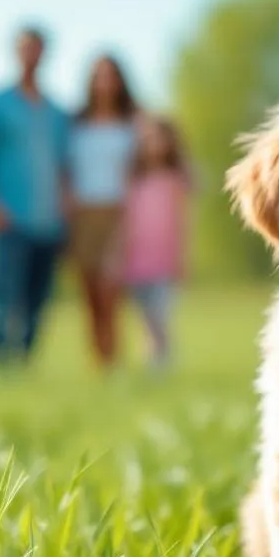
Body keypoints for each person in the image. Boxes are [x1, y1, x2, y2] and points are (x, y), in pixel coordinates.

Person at [0, 26, 72, 367]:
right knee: (3, 298)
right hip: (5, 221)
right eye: (25, 48)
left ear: (45, 54)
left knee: (37, 300)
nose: (32, 55)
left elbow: (63, 168)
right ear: (15, 52)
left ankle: (25, 363)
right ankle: (0, 365)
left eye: (37, 49)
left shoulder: (56, 112)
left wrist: (65, 213)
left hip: (47, 222)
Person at [67, 55, 138, 370]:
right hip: (82, 215)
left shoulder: (132, 124)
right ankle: (98, 360)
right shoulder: (76, 125)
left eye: (110, 75)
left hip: (119, 213)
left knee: (111, 291)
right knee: (90, 295)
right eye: (99, 75)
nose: (104, 82)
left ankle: (113, 357)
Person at [122, 115, 190, 371]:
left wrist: (181, 259)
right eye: (147, 139)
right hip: (137, 260)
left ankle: (162, 362)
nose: (153, 144)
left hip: (165, 260)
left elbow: (184, 223)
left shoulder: (175, 180)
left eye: (158, 138)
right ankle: (152, 359)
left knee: (160, 314)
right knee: (146, 317)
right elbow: (126, 221)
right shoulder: (134, 180)